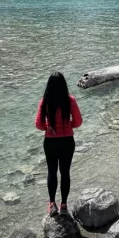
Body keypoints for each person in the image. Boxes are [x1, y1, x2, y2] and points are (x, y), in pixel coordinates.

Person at [35, 71, 83, 216]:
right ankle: (63, 205)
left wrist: (48, 128)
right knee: (65, 172)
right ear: (64, 85)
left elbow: (38, 124)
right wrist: (67, 126)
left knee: (51, 172)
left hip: (50, 142)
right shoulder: (70, 100)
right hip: (67, 141)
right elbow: (78, 122)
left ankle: (51, 204)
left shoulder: (45, 101)